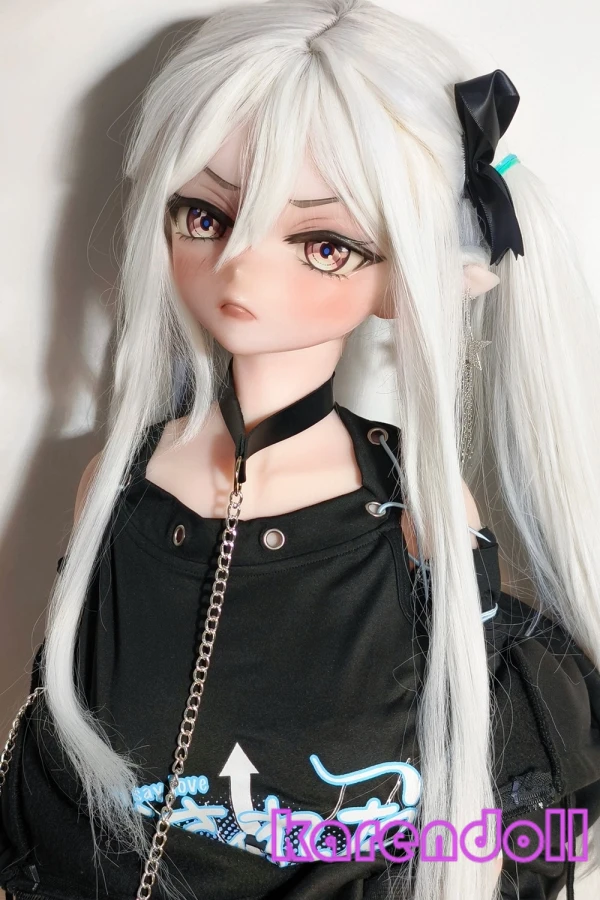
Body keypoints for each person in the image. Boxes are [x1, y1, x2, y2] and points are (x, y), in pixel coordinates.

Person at [2, 2, 600, 899]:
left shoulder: (415, 511)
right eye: (205, 215)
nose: (241, 269)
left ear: (401, 280)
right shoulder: (120, 486)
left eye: (323, 245)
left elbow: (473, 801)